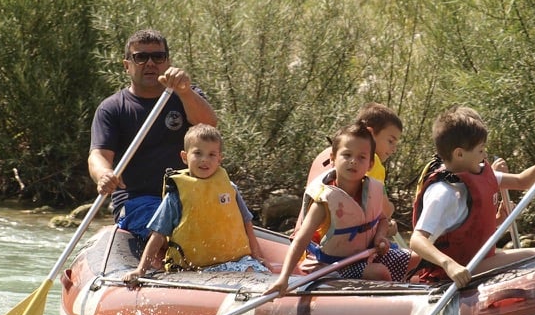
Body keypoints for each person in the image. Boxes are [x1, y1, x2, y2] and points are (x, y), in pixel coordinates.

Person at [410, 105, 535, 288]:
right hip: (460, 270)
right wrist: (449, 264)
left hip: (481, 259)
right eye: (480, 150)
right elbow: (416, 240)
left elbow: (521, 181)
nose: (485, 155)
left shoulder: (478, 173)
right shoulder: (443, 193)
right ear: (459, 154)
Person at [88, 29, 217, 238]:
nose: (150, 63)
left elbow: (209, 125)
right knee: (172, 228)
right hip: (137, 201)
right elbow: (99, 155)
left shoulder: (187, 96)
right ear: (127, 65)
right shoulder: (112, 108)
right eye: (140, 57)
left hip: (189, 195)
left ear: (167, 62)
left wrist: (184, 91)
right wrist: (103, 174)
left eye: (158, 57)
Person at [268, 122, 415, 296]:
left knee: (417, 259)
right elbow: (300, 240)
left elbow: (382, 219)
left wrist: (380, 236)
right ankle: (388, 307)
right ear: (333, 159)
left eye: (361, 157)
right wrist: (284, 277)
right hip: (331, 266)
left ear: (370, 164)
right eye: (347, 155)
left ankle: (415, 294)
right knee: (379, 273)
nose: (353, 161)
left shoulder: (370, 191)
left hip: (364, 255)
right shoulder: (324, 202)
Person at [123, 124, 268, 286]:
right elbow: (158, 235)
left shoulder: (229, 188)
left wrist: (257, 255)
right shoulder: (176, 195)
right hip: (196, 269)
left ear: (220, 158)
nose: (204, 159)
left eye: (212, 154)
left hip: (237, 261)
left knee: (256, 274)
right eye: (198, 153)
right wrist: (141, 270)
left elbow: (247, 222)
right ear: (185, 157)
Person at [301, 102, 403, 237]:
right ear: (370, 133)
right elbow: (384, 211)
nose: (393, 149)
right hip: (346, 243)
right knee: (411, 255)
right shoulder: (373, 162)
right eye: (390, 141)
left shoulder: (330, 154)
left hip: (312, 236)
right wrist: (391, 211)